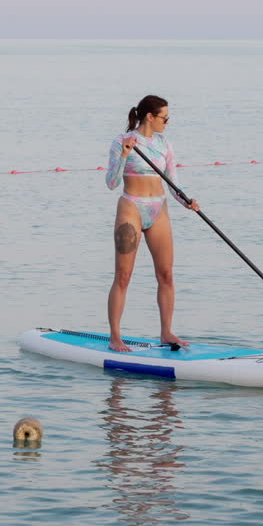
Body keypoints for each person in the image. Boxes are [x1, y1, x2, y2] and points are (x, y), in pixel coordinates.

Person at [104, 95, 200, 352]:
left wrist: (186, 201)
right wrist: (124, 155)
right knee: (123, 276)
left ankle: (167, 333)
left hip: (158, 209)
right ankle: (115, 337)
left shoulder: (165, 144)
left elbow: (172, 182)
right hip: (131, 209)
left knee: (166, 274)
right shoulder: (121, 142)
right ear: (150, 116)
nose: (167, 123)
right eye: (164, 118)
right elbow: (111, 183)